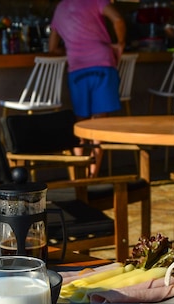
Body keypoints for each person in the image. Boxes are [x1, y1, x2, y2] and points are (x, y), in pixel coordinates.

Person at [48, 0, 126, 176]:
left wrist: (72, 49)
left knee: (80, 124)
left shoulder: (60, 8)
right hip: (102, 65)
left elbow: (52, 48)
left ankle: (79, 176)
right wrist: (120, 43)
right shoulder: (95, 1)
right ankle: (93, 175)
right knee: (99, 125)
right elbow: (118, 19)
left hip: (77, 69)